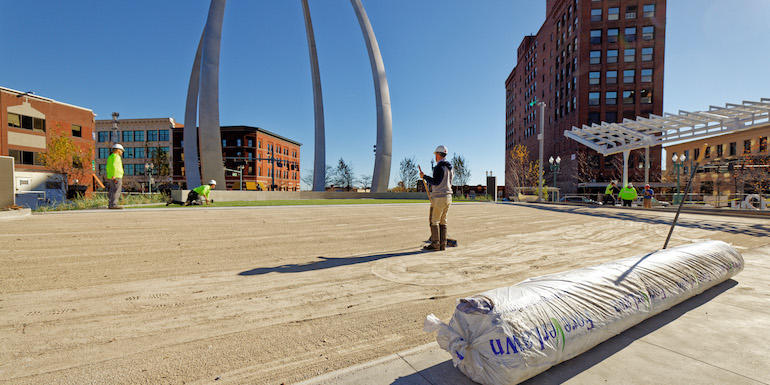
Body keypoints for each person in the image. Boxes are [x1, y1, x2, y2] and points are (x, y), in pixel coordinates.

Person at [420, 145, 454, 251]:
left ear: (438, 155)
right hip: (448, 197)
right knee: (443, 221)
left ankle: (435, 244)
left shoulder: (439, 167)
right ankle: (442, 244)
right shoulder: (450, 168)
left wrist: (424, 177)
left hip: (439, 197)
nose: (435, 157)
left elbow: (436, 181)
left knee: (434, 221)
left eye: (436, 155)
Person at [106, 143, 124, 209]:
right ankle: (114, 204)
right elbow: (114, 166)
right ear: (118, 150)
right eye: (121, 150)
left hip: (111, 176)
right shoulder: (117, 157)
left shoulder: (110, 157)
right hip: (116, 176)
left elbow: (108, 167)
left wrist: (110, 175)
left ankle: (110, 204)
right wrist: (114, 175)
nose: (122, 152)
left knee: (112, 190)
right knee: (116, 190)